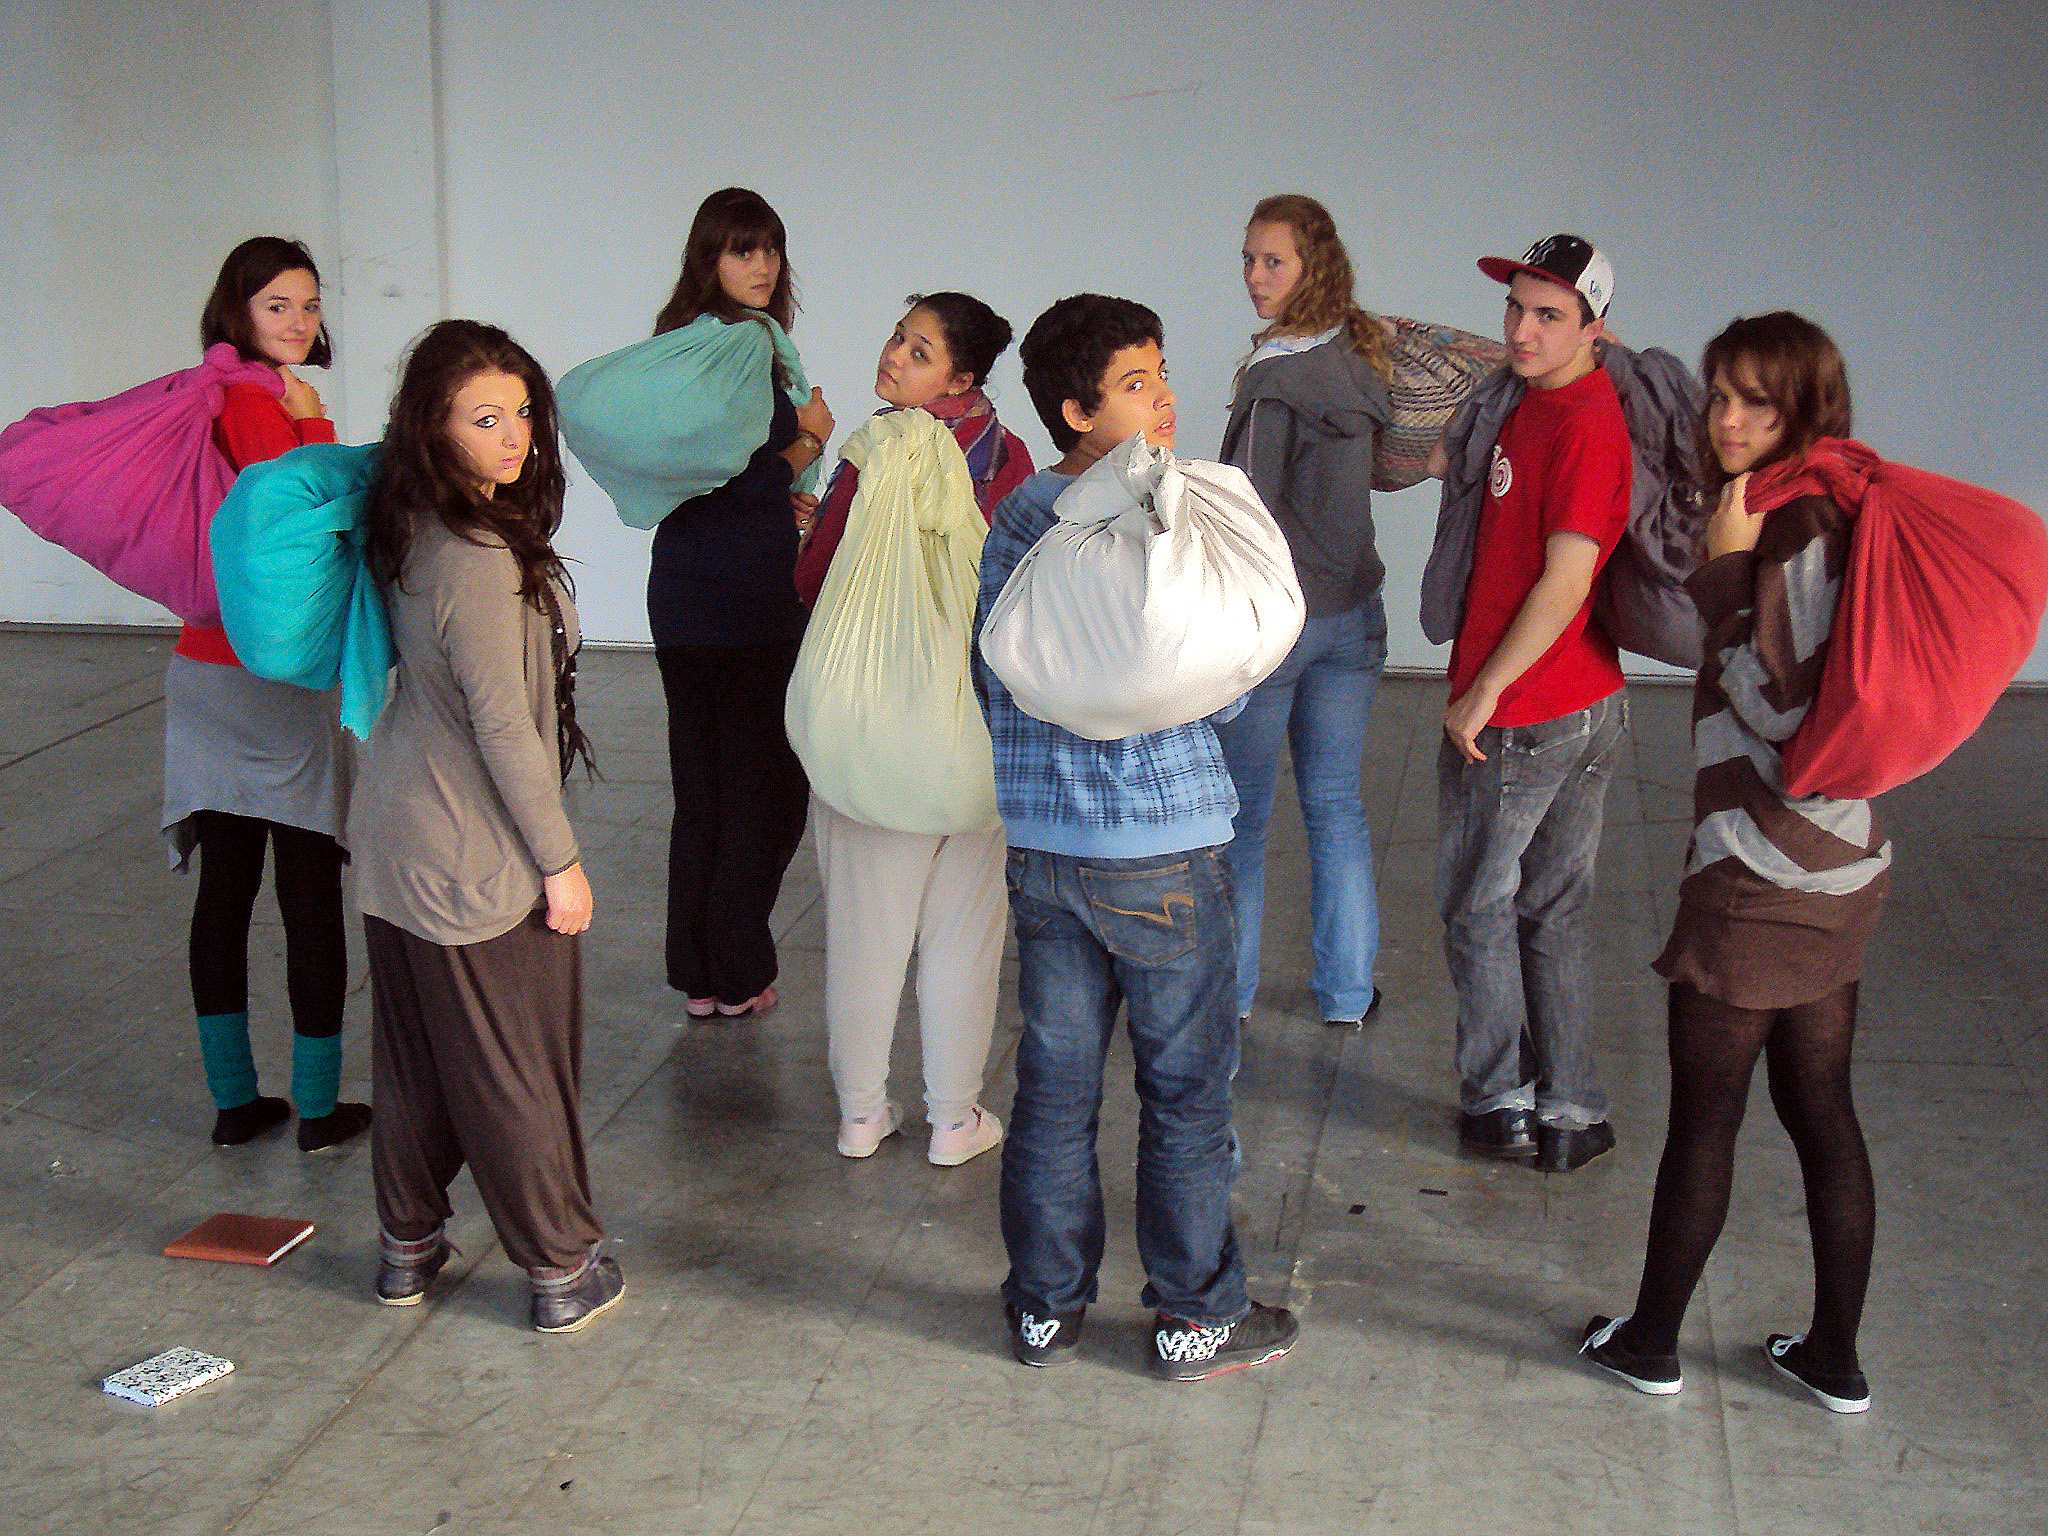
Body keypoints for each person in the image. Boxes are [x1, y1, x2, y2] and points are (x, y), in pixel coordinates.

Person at [974, 293, 1298, 1381]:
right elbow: (1218, 682)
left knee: (1055, 1091)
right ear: (1076, 412)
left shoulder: (1018, 522)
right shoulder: (1158, 513)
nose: (1162, 398)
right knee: (1185, 1098)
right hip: (1163, 846)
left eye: (1160, 374)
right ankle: (1196, 1315)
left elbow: (993, 671)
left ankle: (1042, 1308)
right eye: (1132, 383)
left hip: (1044, 852)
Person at [1581, 313, 1888, 1413]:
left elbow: (1784, 712)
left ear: (1804, 409)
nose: (1726, 419)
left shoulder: (1794, 526)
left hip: (1762, 869)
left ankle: (1648, 1343)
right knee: (1821, 1113)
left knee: (1705, 1123)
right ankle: (1832, 1360)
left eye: (1756, 401)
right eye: (1718, 395)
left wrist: (1720, 578)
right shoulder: (1823, 502)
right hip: (1837, 864)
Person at [354, 319, 623, 1333]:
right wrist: (560, 861)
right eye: (484, 419)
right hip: (469, 848)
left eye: (520, 414)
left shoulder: (413, 523)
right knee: (514, 1065)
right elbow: (502, 724)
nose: (514, 437)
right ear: (432, 425)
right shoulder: (472, 553)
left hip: (397, 833)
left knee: (418, 1061)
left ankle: (406, 1251)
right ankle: (560, 1270)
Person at [793, 294, 1032, 1165]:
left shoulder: (875, 451)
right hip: (973, 735)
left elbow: (816, 581)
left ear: (959, 375)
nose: (895, 355)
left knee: (865, 934)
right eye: (900, 338)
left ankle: (862, 1114)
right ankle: (954, 1120)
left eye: (920, 350)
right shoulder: (1008, 458)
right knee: (965, 935)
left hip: (871, 734)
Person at [1438, 234, 1633, 1174]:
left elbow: (1567, 578)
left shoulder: (1586, 423)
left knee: (1479, 907)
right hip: (1583, 697)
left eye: (1549, 315)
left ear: (1596, 329)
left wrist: (1485, 689)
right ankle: (1572, 1113)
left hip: (1528, 713)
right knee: (1551, 912)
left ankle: (1499, 1104)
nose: (1522, 329)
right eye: (1515, 307)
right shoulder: (1528, 403)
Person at [170, 236, 366, 1151]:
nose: (297, 321)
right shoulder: (257, 403)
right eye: (276, 305)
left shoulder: (218, 394)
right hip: (271, 677)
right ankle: (318, 1110)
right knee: (308, 888)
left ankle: (235, 1102)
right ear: (238, 311)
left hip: (205, 668)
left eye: (309, 305)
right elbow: (295, 524)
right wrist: (316, 425)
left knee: (227, 888)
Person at [648, 188, 834, 1018]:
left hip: (682, 591)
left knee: (704, 791)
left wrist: (783, 488)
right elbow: (730, 479)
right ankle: (739, 969)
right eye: (741, 249)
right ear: (708, 257)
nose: (762, 265)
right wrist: (810, 439)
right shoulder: (742, 350)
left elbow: (694, 479)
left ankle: (700, 974)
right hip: (745, 599)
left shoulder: (676, 346)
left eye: (770, 248)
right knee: (767, 790)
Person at [1217, 194, 1393, 1030]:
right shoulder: (1360, 358)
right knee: (1336, 806)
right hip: (1355, 613)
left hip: (1279, 623)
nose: (1255, 277)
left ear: (1311, 266)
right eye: (1249, 259)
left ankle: (1231, 995)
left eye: (1273, 261)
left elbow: (1245, 511)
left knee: (1243, 819)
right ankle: (1348, 993)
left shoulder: (1274, 378)